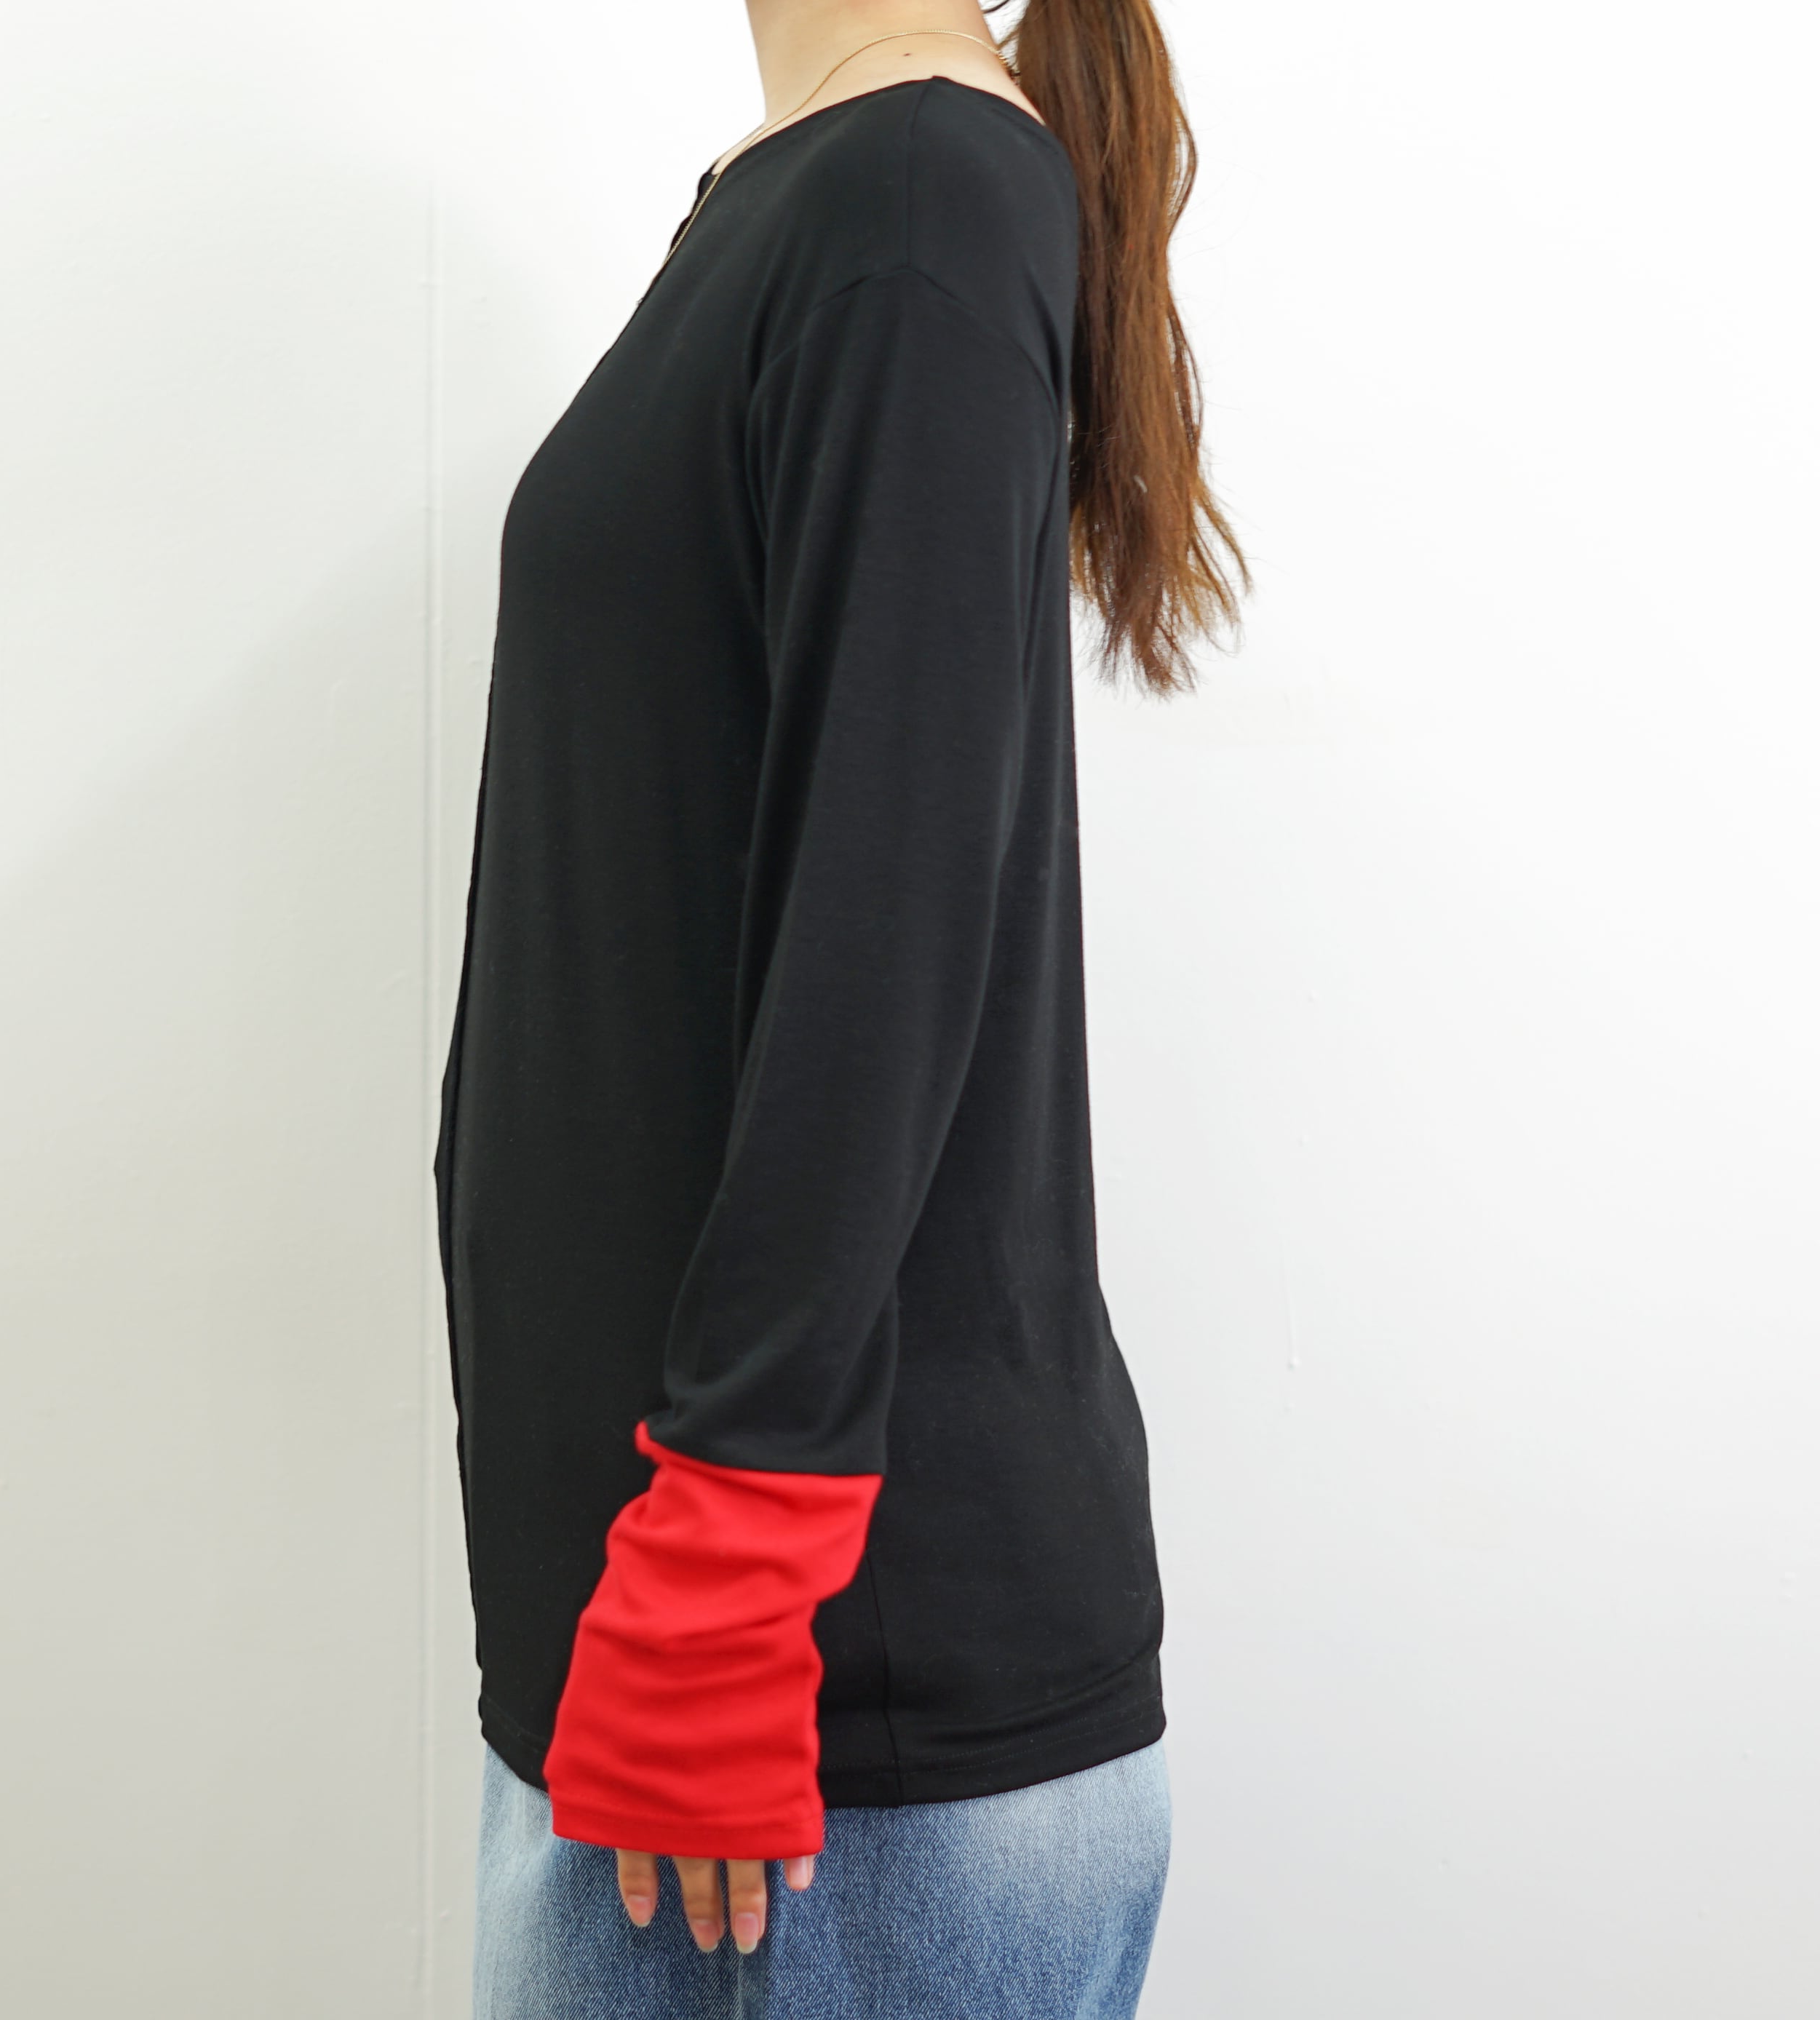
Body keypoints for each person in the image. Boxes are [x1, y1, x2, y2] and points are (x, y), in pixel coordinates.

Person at [434, 2, 1246, 2012]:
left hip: (808, 1748)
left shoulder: (917, 196)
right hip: (666, 1685)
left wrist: (727, 1567)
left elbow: (885, 918)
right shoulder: (810, 192)